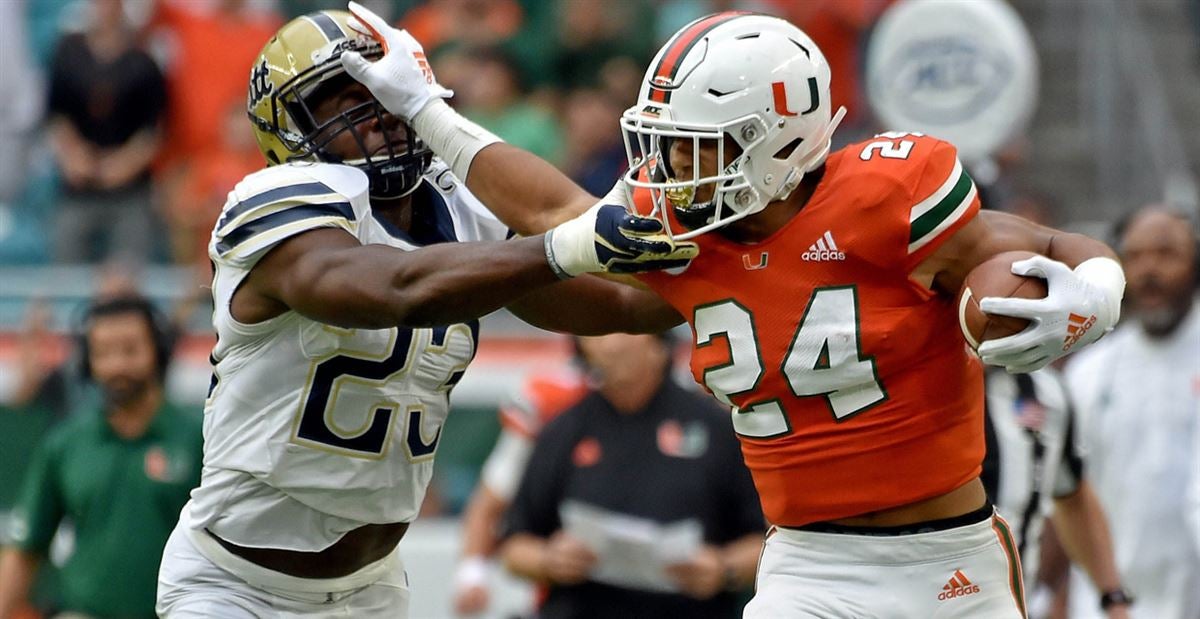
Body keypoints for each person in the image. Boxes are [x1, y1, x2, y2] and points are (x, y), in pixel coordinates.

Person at [344, 5, 1128, 616]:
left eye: (701, 145)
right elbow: (558, 212)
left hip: (946, 557)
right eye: (670, 144)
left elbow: (1046, 241)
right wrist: (427, 110)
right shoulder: (684, 226)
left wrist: (1097, 284)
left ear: (784, 139)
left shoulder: (891, 195)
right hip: (806, 562)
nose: (676, 168)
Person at [153, 10, 695, 619]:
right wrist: (564, 247)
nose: (375, 113)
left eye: (384, 92)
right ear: (291, 131)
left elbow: (626, 301)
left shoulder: (454, 206)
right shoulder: (274, 201)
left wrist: (727, 260)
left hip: (372, 588)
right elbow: (394, 286)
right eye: (342, 100)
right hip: (236, 586)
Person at [498, 333, 765, 618]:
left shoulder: (715, 428)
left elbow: (769, 540)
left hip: (687, 608)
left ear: (659, 345)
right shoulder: (564, 430)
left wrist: (724, 568)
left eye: (627, 331)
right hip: (582, 606)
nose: (612, 344)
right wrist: (550, 560)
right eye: (599, 333)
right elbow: (514, 546)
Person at [0, 295, 202, 619]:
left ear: (158, 350)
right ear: (86, 360)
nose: (117, 365)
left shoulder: (199, 439)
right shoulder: (65, 444)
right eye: (103, 352)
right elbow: (25, 549)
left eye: (130, 349)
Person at [1064, 205, 1200, 619]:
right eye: (1135, 256)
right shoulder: (1088, 372)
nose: (1150, 270)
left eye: (1166, 253)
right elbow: (1066, 491)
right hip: (1109, 603)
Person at [981, 368, 1130, 619]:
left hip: (1013, 606)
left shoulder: (1047, 393)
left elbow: (1073, 499)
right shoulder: (912, 384)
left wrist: (1113, 599)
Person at [453, 364, 587, 615]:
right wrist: (473, 575)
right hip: (566, 596)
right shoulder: (553, 399)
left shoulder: (679, 403)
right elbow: (490, 503)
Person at [47, 0, 168, 264]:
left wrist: (123, 165)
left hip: (129, 191)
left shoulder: (144, 62)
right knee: (67, 271)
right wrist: (72, 156)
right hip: (78, 187)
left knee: (129, 272)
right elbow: (57, 116)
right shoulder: (68, 52)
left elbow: (153, 130)